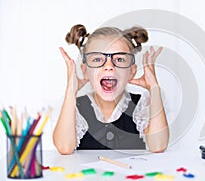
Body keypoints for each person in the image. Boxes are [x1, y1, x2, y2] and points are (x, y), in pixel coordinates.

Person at [53, 24, 169, 154]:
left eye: (119, 59)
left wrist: (154, 89)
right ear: (85, 71)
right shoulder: (75, 107)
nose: (109, 66)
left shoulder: (141, 105)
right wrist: (71, 91)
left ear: (132, 71)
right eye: (97, 59)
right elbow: (64, 148)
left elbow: (158, 145)